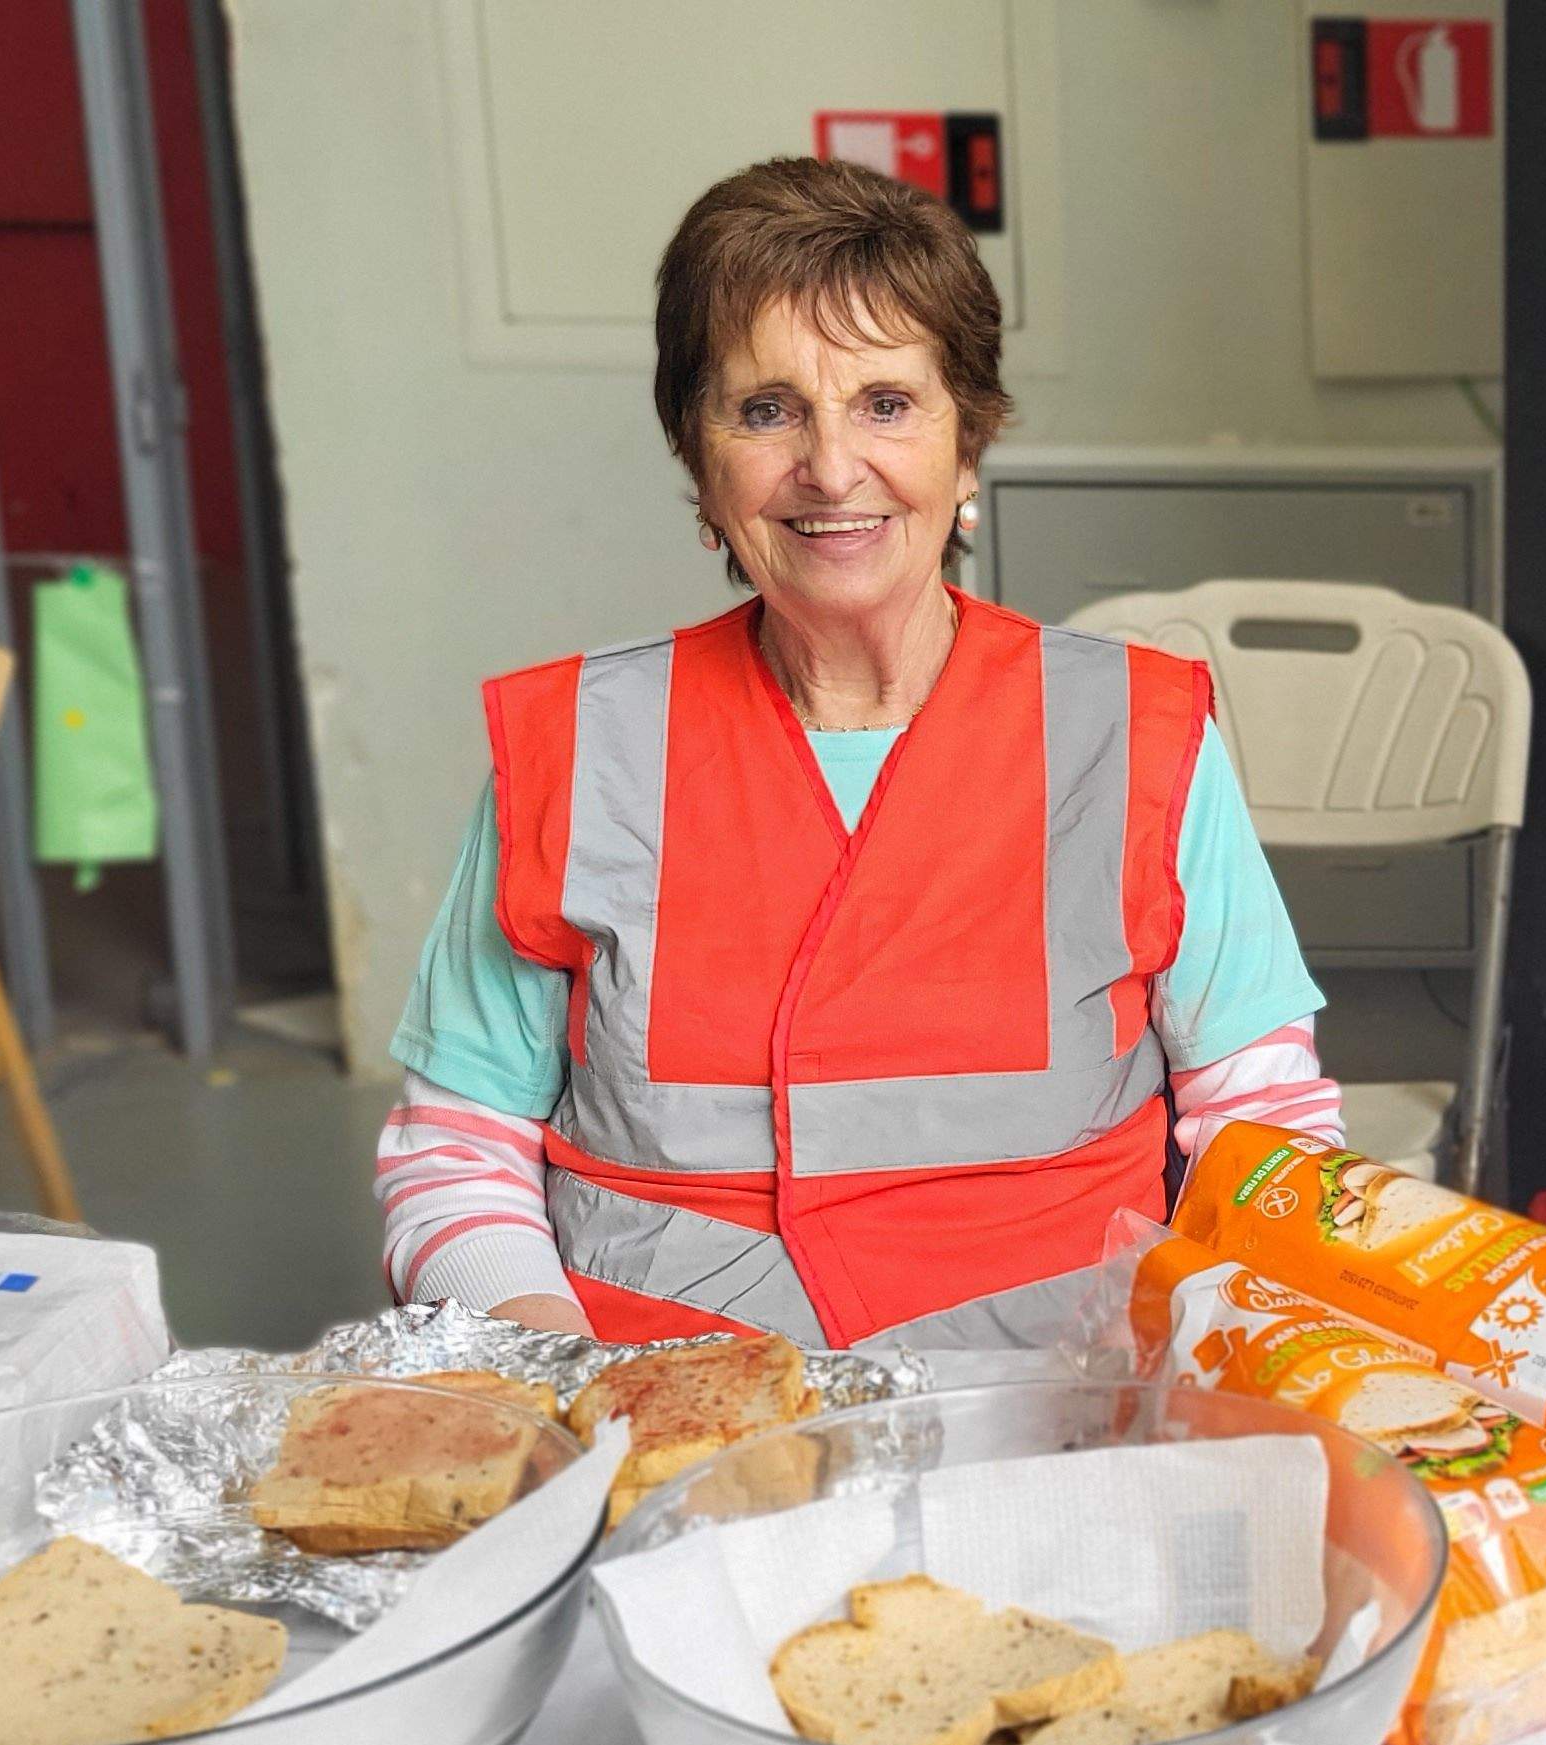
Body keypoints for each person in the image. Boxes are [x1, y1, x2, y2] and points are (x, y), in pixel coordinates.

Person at [373, 159, 1344, 1346]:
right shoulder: (578, 749)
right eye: (767, 410)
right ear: (699, 460)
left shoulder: (1130, 734)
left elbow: (1266, 1125)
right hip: (667, 1410)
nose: (832, 470)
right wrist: (570, 1383)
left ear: (967, 445)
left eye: (886, 403)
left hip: (1061, 1398)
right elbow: (457, 1153)